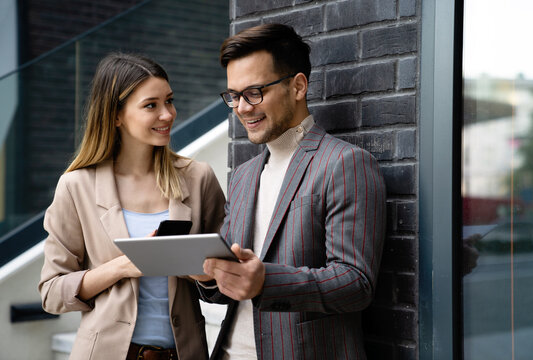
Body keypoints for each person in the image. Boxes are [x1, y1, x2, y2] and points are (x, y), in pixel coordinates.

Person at [195, 24, 387, 360]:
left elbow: (356, 283)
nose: (241, 107)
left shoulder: (344, 163)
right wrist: (209, 274)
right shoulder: (243, 176)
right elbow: (231, 291)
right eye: (234, 96)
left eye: (254, 92)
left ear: (297, 87)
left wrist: (265, 281)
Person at [38, 52, 226, 360]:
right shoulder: (76, 186)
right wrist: (124, 265)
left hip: (184, 352)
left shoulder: (198, 177)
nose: (167, 114)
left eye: (170, 100)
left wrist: (202, 273)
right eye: (151, 105)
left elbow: (224, 283)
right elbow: (52, 293)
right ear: (116, 115)